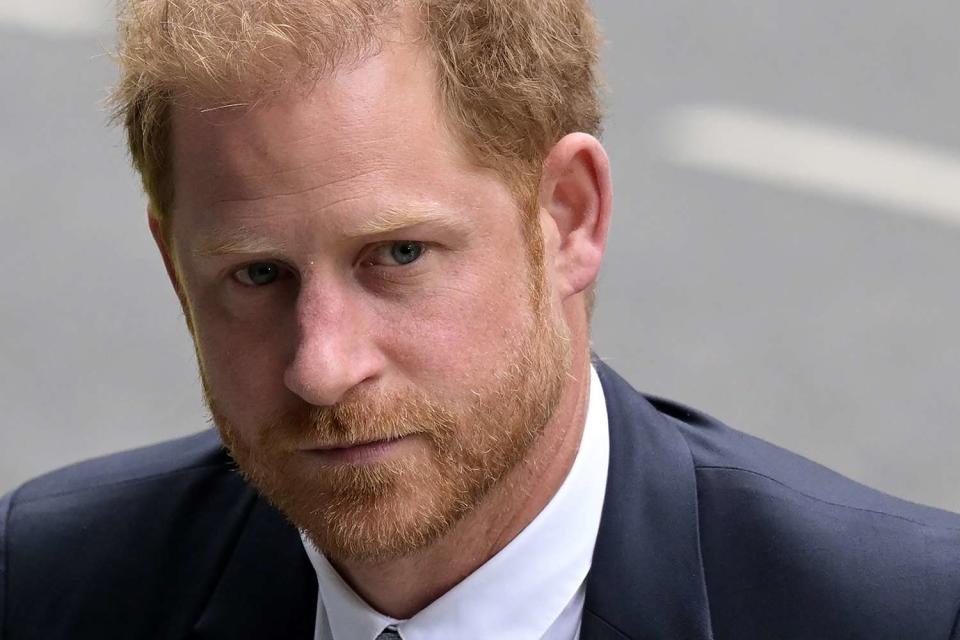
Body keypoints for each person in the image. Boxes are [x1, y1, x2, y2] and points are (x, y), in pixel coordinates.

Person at [2, 0, 959, 638]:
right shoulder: (48, 588)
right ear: (176, 268)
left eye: (399, 255)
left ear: (569, 217)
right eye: (257, 274)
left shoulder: (905, 614)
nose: (322, 367)